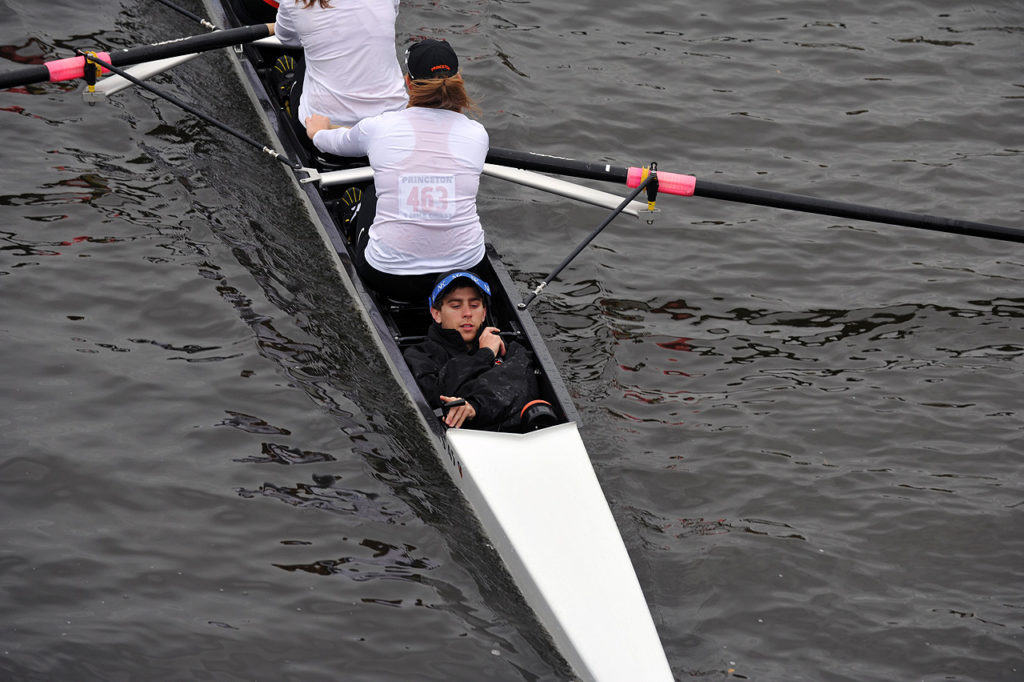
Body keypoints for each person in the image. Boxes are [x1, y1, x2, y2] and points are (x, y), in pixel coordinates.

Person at [304, 38, 488, 302]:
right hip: (465, 272)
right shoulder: (477, 134)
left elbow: (334, 144)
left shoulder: (379, 127)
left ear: (408, 83)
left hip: (388, 276)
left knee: (372, 192)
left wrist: (317, 131)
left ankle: (353, 216)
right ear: (458, 79)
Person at [403, 271, 558, 432]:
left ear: (484, 313)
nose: (467, 314)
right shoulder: (418, 355)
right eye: (456, 306)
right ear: (437, 314)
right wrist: (484, 355)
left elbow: (524, 389)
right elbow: (436, 396)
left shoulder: (511, 349)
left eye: (474, 305)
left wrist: (474, 407)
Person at [268, 0, 408, 128]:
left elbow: (286, 38)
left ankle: (288, 96)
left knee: (307, 58)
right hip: (391, 126)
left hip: (322, 130)